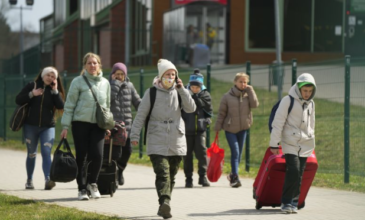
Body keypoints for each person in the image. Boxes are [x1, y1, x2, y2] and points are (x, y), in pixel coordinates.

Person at [130, 59, 196, 219]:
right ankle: (165, 202)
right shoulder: (151, 93)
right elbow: (140, 115)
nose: (170, 77)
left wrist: (182, 90)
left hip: (176, 138)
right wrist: (134, 135)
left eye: (173, 74)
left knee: (172, 175)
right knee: (163, 173)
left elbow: (191, 108)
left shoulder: (179, 91)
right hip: (156, 136)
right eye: (167, 74)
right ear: (161, 76)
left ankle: (163, 205)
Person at [60, 52, 111, 201]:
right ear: (85, 66)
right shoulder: (78, 82)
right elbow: (69, 105)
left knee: (98, 155)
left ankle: (93, 183)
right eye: (89, 63)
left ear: (99, 65)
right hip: (80, 124)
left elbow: (106, 106)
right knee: (81, 156)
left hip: (98, 125)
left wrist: (107, 124)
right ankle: (82, 188)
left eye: (95, 63)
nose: (92, 65)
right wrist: (65, 126)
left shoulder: (105, 83)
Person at [269, 73, 316, 214]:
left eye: (310, 91)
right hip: (290, 142)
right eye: (304, 91)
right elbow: (277, 123)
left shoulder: (311, 103)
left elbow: (311, 124)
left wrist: (311, 138)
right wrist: (274, 144)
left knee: (300, 173)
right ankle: (286, 202)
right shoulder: (287, 101)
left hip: (305, 143)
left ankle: (294, 202)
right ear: (298, 88)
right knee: (294, 170)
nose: (307, 94)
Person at [15, 66, 65, 190]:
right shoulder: (32, 85)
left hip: (47, 127)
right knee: (31, 154)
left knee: (46, 153)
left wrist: (55, 92)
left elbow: (60, 106)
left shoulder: (54, 91)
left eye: (53, 76)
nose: (50, 78)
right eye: (48, 75)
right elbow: (18, 99)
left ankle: (48, 179)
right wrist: (32, 94)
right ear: (43, 75)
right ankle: (29, 180)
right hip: (30, 126)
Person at [214, 73, 259, 187]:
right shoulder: (227, 97)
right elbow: (221, 113)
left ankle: (232, 174)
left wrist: (251, 90)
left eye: (245, 82)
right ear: (235, 82)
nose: (243, 84)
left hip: (243, 129)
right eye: (241, 81)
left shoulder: (248, 95)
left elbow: (255, 105)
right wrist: (218, 126)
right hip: (230, 129)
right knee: (236, 152)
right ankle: (235, 178)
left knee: (238, 155)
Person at [107, 62, 141, 186]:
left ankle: (120, 171)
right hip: (114, 127)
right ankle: (112, 175)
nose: (119, 76)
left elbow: (137, 102)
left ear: (125, 75)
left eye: (122, 74)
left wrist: (146, 108)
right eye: (117, 74)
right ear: (113, 75)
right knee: (115, 152)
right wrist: (114, 84)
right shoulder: (108, 85)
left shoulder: (130, 86)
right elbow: (109, 99)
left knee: (127, 151)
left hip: (127, 127)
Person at [181, 69, 212, 188]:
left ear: (201, 86)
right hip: (186, 130)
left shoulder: (205, 94)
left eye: (197, 87)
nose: (194, 89)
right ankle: (188, 179)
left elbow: (208, 110)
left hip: (200, 130)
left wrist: (208, 120)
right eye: (193, 87)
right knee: (187, 155)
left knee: (202, 153)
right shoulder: (183, 94)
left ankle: (202, 176)